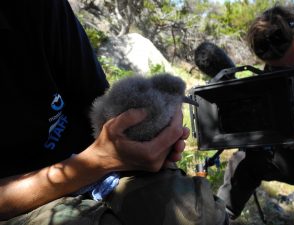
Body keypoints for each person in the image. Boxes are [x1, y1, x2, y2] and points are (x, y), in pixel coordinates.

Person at [0, 0, 189, 224]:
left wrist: (150, 145)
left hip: (96, 159)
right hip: (22, 203)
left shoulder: (35, 7)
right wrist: (99, 161)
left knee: (192, 208)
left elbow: (97, 102)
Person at [217, 4, 294, 220]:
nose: (289, 72)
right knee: (245, 160)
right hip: (291, 155)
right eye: (278, 69)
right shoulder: (274, 68)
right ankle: (219, 216)